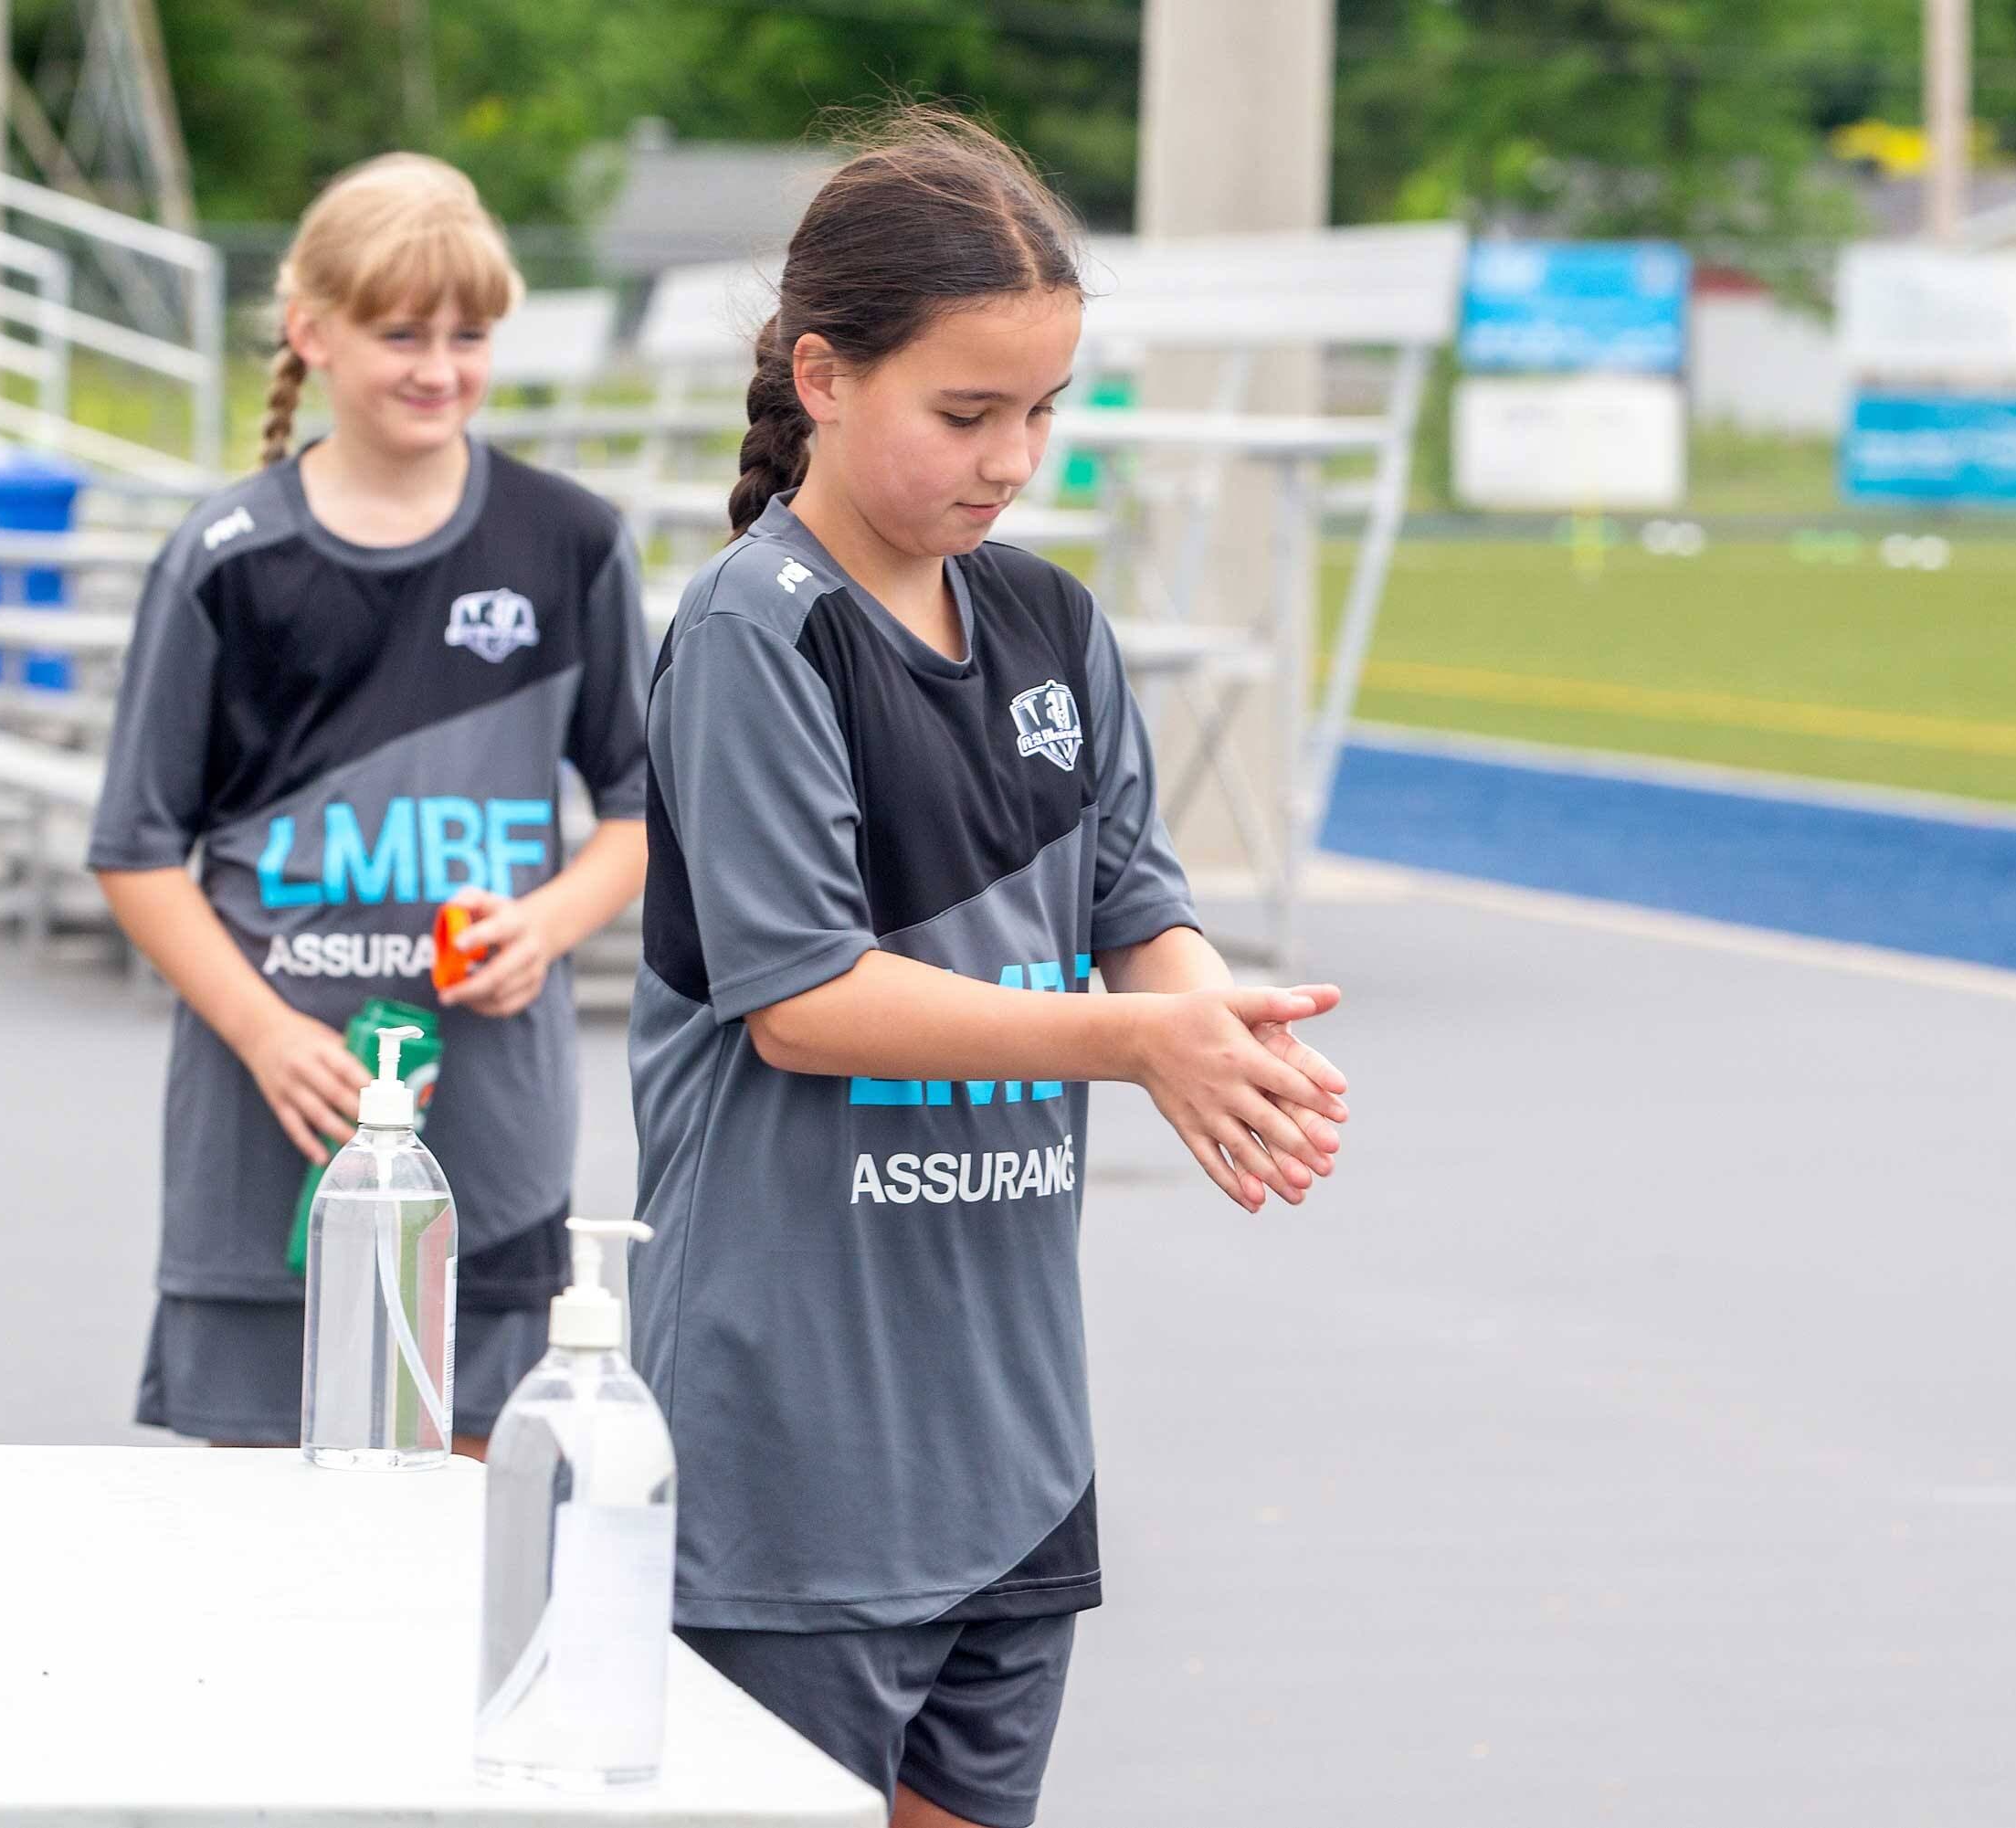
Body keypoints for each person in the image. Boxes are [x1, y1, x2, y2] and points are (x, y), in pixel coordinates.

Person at [627, 106, 1351, 1828]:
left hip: (1010, 1443)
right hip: (796, 1449)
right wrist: (1135, 1040)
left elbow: (1137, 901)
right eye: (966, 413)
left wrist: (1210, 1025)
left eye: (1043, 410)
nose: (1012, 456)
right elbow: (806, 1004)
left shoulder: (1051, 625)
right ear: (820, 375)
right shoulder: (756, 632)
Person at [86, 153, 651, 1456]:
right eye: (401, 333)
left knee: (465, 1543)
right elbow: (135, 850)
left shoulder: (568, 542)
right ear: (311, 331)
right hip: (265, 1129)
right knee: (260, 1554)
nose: (439, 367)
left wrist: (551, 922)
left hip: (490, 1135)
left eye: (470, 335)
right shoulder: (229, 559)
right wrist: (270, 1033)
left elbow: (636, 808)